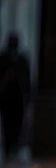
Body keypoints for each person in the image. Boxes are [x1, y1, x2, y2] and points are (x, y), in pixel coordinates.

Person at [0, 33, 31, 161]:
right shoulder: (3, 59)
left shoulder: (21, 60)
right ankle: (9, 150)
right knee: (8, 125)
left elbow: (27, 81)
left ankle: (14, 149)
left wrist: (27, 97)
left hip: (18, 99)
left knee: (17, 125)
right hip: (7, 99)